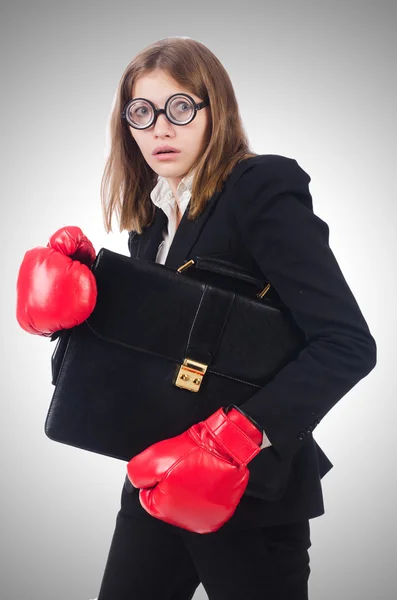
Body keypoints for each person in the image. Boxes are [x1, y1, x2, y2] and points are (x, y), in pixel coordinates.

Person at [16, 37, 377, 600]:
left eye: (180, 107)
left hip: (248, 498)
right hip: (156, 482)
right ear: (126, 125)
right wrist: (76, 319)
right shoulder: (151, 223)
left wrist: (231, 442)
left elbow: (347, 343)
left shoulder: (259, 188)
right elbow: (166, 358)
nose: (161, 128)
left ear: (216, 110)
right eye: (142, 112)